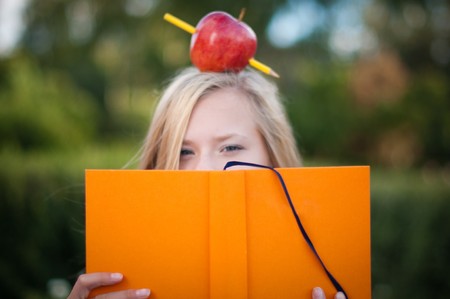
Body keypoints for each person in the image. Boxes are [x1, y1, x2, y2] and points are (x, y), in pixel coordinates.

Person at [68, 67, 346, 299]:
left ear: (274, 156)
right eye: (184, 152)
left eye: (230, 148)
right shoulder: (121, 273)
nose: (204, 169)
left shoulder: (329, 269)